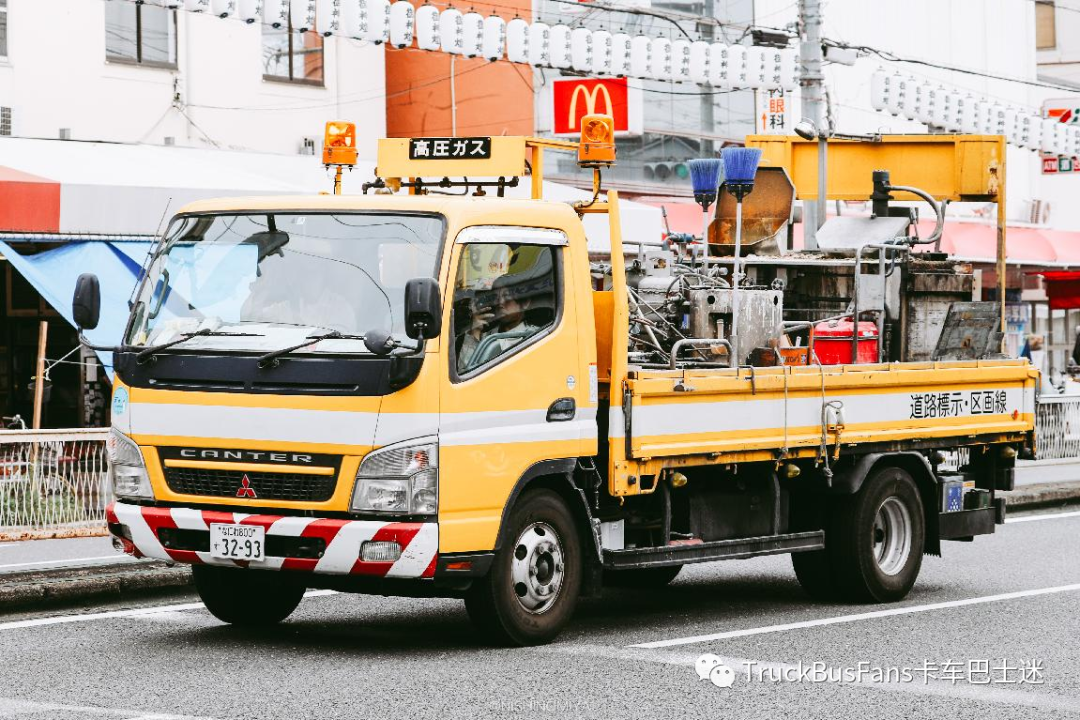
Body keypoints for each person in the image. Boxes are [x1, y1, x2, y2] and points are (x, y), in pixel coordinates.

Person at [457, 273, 540, 372]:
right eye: (496, 297)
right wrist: (475, 331)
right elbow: (464, 373)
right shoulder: (486, 337)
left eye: (507, 296)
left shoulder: (536, 337)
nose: (500, 302)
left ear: (525, 303)